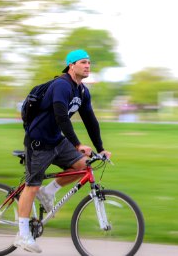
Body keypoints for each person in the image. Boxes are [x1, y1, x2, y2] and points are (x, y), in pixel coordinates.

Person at [14, 49, 112, 253]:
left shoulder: (82, 91)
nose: (87, 66)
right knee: (31, 186)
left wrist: (101, 149)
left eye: (89, 63)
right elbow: (61, 117)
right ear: (71, 65)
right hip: (38, 142)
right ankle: (23, 235)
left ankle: (48, 192)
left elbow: (91, 121)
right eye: (83, 62)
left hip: (57, 140)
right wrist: (77, 144)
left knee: (83, 165)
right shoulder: (61, 85)